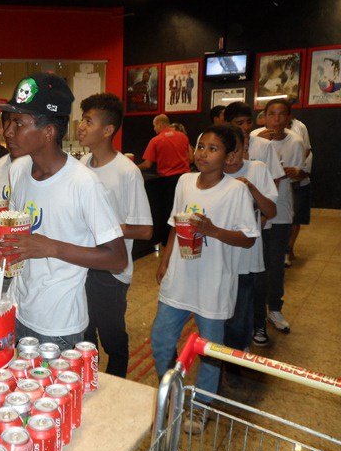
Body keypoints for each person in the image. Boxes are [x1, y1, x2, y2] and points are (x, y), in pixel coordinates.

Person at [0, 73, 127, 351]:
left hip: (59, 325)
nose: (8, 131)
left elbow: (118, 259)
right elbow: (21, 238)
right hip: (17, 309)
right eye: (8, 122)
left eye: (19, 123)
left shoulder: (83, 183)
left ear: (48, 132)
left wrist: (50, 247)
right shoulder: (18, 170)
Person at [150, 125, 258, 433]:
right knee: (161, 339)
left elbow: (248, 238)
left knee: (210, 350)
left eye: (213, 149)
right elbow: (175, 224)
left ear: (230, 156)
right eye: (200, 147)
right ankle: (172, 393)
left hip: (213, 282)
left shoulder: (235, 191)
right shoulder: (184, 181)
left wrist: (213, 230)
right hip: (180, 278)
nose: (203, 154)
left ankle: (201, 406)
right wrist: (166, 260)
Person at [77, 93, 153, 378]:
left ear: (108, 130)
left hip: (110, 270)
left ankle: (119, 382)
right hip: (81, 263)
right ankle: (89, 382)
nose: (81, 127)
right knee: (84, 332)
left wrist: (105, 227)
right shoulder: (82, 164)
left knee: (112, 336)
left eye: (89, 121)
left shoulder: (126, 172)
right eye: (82, 120)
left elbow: (144, 229)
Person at [222, 128, 277, 384]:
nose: (231, 157)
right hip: (218, 258)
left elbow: (271, 211)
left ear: (245, 146)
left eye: (237, 149)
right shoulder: (212, 171)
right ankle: (220, 357)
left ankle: (236, 362)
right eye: (227, 151)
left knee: (240, 314)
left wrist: (250, 188)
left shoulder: (257, 169)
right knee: (219, 314)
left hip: (246, 259)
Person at [249, 99, 306, 340]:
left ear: (289, 117)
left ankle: (275, 308)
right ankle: (254, 313)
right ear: (264, 116)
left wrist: (296, 173)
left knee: (275, 264)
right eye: (271, 114)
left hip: (280, 210)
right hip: (257, 211)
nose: (276, 119)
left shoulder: (296, 141)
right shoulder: (254, 137)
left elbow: (300, 174)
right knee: (256, 265)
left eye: (282, 114)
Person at [138, 114, 192, 244]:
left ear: (160, 124)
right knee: (183, 209)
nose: (154, 129)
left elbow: (147, 164)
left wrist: (132, 168)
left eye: (154, 126)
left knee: (169, 212)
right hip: (185, 179)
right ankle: (186, 238)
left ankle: (168, 242)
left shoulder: (156, 140)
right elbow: (191, 158)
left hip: (168, 182)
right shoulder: (183, 137)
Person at [286, 116, 313, 265]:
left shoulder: (299, 127)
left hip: (297, 182)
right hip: (278, 183)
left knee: (295, 218)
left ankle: (288, 249)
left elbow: (307, 150)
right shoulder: (264, 134)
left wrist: (297, 167)